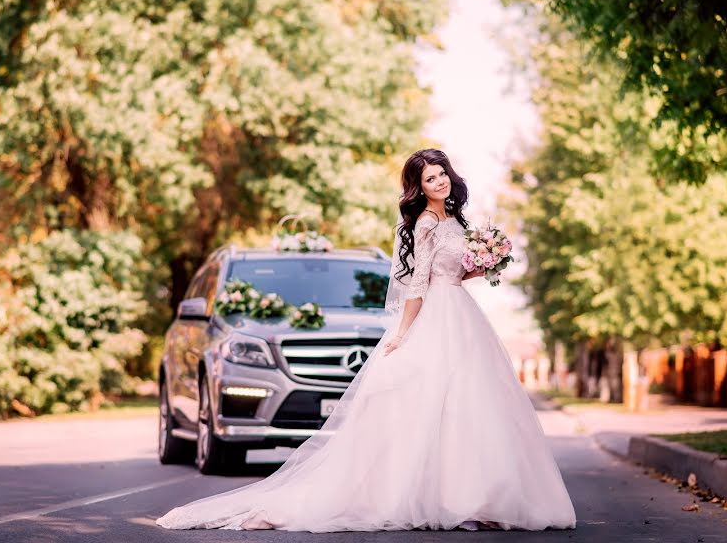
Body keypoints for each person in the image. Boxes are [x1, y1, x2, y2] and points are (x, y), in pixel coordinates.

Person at [156, 149, 577, 532]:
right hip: (437, 316)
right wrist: (403, 334)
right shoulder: (426, 222)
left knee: (469, 404)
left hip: (462, 314)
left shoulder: (455, 220)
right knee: (436, 405)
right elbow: (416, 284)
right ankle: (442, 498)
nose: (439, 182)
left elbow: (452, 271)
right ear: (418, 188)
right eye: (429, 179)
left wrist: (484, 263)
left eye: (442, 174)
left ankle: (474, 495)